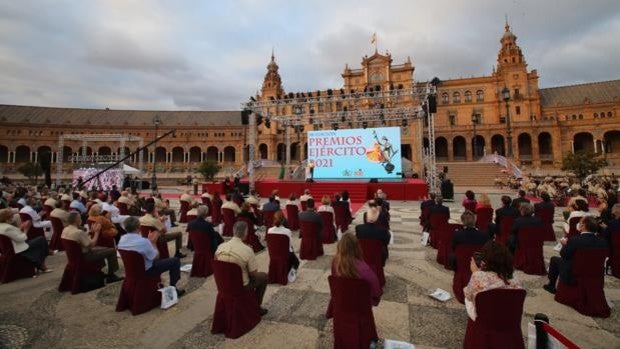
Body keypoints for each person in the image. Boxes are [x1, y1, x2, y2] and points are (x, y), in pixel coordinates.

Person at [118, 216, 185, 296]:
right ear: (138, 227)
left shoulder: (121, 240)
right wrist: (153, 243)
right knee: (175, 261)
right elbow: (156, 257)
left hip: (131, 271)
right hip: (147, 270)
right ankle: (173, 288)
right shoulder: (143, 242)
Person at [543, 216, 609, 294]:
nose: (578, 224)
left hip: (575, 272)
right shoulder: (602, 242)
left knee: (554, 259)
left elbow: (564, 255)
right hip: (595, 272)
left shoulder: (575, 240)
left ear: (583, 226)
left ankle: (551, 285)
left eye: (580, 222)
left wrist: (564, 245)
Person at [215, 221, 268, 316]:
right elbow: (253, 273)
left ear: (233, 231)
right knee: (263, 277)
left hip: (222, 283)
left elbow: (216, 263)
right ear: (245, 233)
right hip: (240, 285)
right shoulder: (247, 249)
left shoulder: (220, 247)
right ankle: (256, 306)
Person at [463, 241, 522, 320]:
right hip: (507, 317)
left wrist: (475, 273)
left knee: (468, 297)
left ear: (485, 261)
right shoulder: (515, 280)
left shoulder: (478, 276)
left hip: (485, 318)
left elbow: (468, 295)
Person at [61, 212, 123, 283]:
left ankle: (99, 272)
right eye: (80, 218)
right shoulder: (78, 232)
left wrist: (91, 232)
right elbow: (92, 244)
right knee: (112, 251)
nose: (81, 219)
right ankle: (111, 275)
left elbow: (83, 240)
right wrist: (97, 232)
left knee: (103, 248)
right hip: (84, 256)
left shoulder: (65, 230)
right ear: (77, 220)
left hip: (75, 256)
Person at [331, 233, 382, 306]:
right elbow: (376, 292)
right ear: (357, 247)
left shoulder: (335, 262)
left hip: (341, 300)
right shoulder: (364, 268)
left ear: (339, 247)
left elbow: (335, 279)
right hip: (360, 305)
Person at [0, 208, 51, 273]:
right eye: (11, 216)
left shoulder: (2, 226)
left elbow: (14, 235)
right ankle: (41, 265)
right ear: (7, 218)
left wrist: (20, 228)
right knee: (41, 240)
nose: (13, 218)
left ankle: (41, 264)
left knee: (39, 240)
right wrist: (26, 229)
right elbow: (21, 238)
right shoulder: (8, 227)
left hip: (13, 247)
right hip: (19, 248)